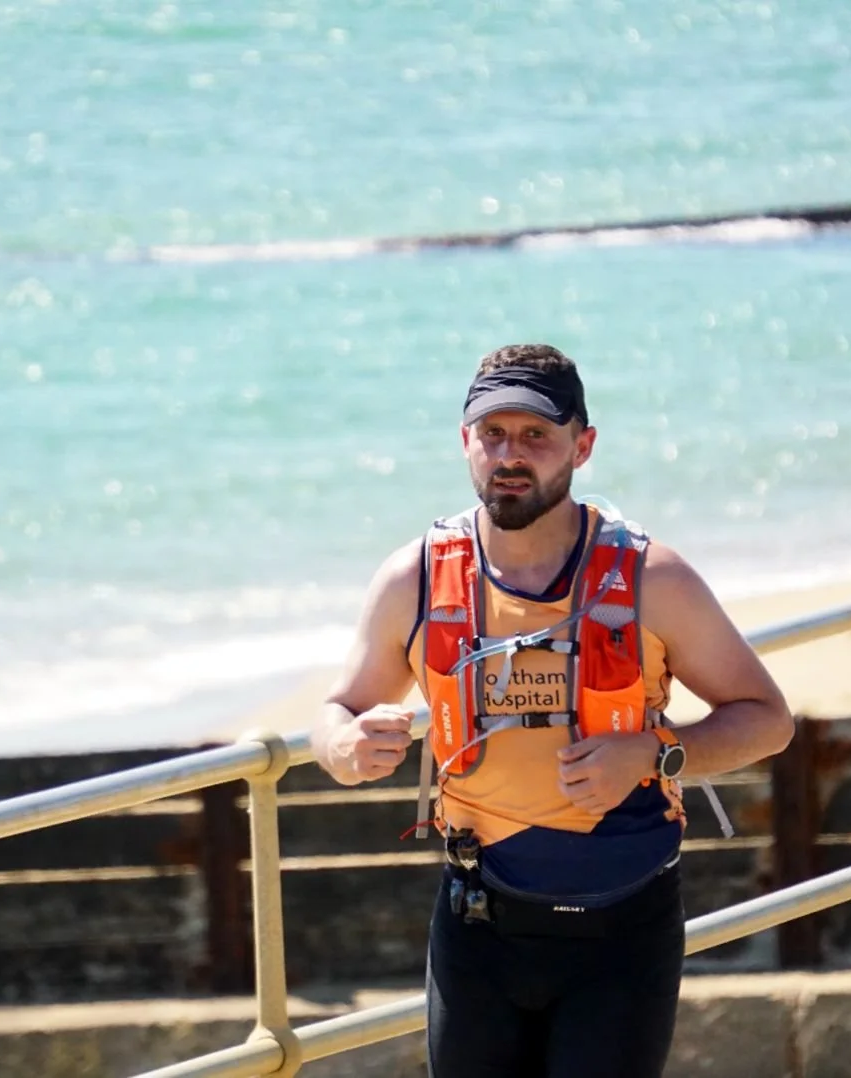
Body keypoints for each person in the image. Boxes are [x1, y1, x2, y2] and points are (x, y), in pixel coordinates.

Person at [310, 343, 793, 1078]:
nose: (511, 454)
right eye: (493, 434)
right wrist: (346, 747)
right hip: (478, 927)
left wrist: (656, 751)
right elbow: (335, 710)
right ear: (464, 441)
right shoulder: (416, 578)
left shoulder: (649, 578)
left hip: (623, 935)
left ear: (583, 445)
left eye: (537, 435)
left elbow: (766, 717)